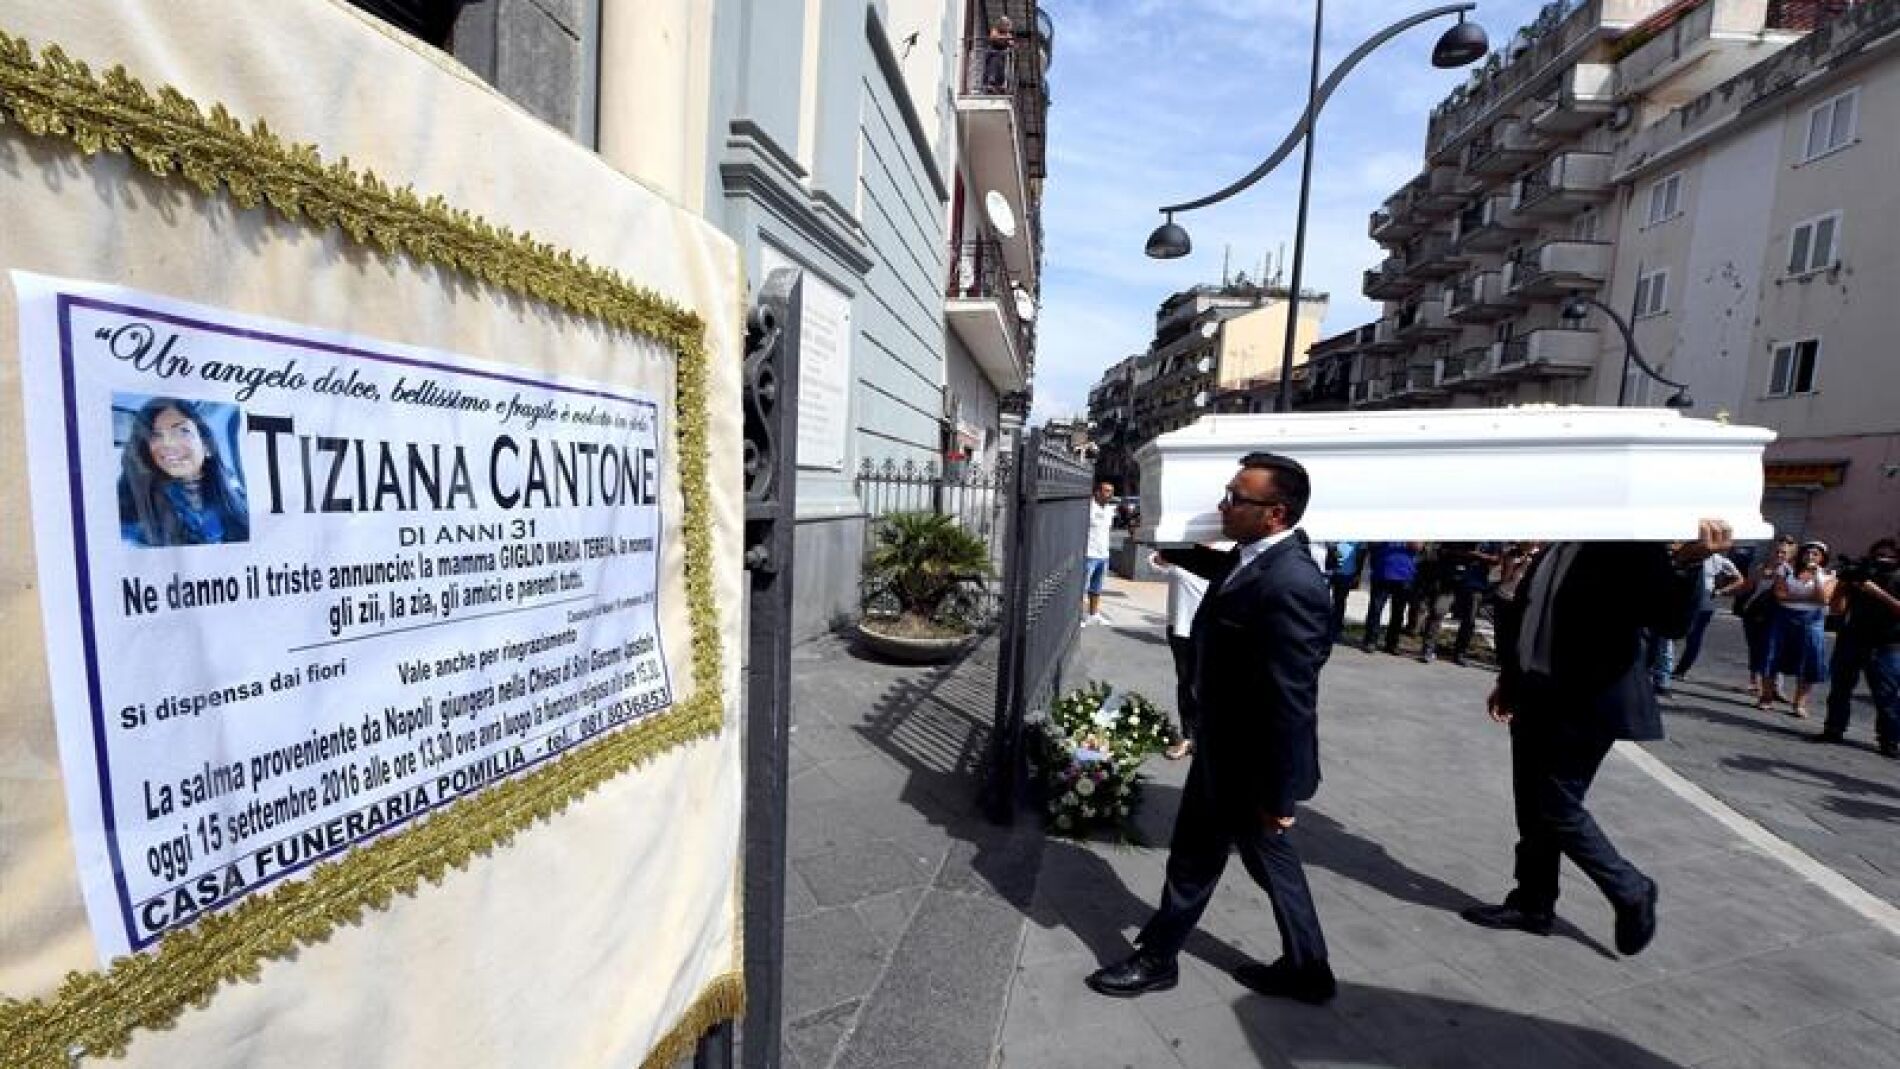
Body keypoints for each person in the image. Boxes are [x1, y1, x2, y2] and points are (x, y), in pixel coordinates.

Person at [1086, 453, 1336, 1005]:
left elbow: (1293, 699)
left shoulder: (1292, 582)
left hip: (1247, 761)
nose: (1223, 505)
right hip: (1231, 746)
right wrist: (1165, 542)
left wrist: (1280, 791)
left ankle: (1157, 959)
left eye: (1234, 498)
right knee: (1269, 860)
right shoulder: (1262, 559)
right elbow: (1227, 574)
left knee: (1197, 856)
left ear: (1274, 513)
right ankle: (1309, 970)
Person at [1461, 523, 1730, 957]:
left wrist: (1689, 564)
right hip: (1536, 691)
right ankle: (1532, 903)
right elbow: (1534, 617)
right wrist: (1511, 679)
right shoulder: (1555, 546)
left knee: (1557, 806)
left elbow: (1671, 621)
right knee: (1532, 807)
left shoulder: (1628, 546)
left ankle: (1632, 889)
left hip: (1588, 702)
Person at [119, 397, 250, 547]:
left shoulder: (237, 496)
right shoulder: (134, 515)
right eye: (156, 435)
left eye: (183, 431)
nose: (168, 443)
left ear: (207, 446)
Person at [1812, 538, 1900, 757]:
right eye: (1878, 554)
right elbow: (1836, 608)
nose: (1883, 559)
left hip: (1886, 644)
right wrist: (1844, 586)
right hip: (1852, 638)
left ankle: (1889, 740)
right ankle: (1833, 729)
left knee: (1886, 695)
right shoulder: (1861, 575)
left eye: (1888, 555)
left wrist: (1876, 591)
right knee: (1840, 689)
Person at [1151, 548, 1219, 761]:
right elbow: (1155, 562)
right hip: (1180, 628)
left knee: (1211, 685)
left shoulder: (1227, 554)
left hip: (1212, 631)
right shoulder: (1185, 552)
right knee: (1187, 683)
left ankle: (1209, 736)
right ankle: (1189, 735)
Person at [1762, 540, 1834, 718]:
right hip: (1784, 618)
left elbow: (1824, 599)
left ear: (1823, 558)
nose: (1810, 556)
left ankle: (1799, 703)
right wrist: (1809, 598)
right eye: (1808, 553)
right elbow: (1780, 595)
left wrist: (1817, 577)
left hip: (1812, 621)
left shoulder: (1828, 575)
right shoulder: (1786, 570)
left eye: (1816, 554)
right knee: (1773, 655)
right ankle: (1766, 697)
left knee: (1809, 660)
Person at [1671, 550, 1745, 681]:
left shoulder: (1718, 560)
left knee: (1694, 639)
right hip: (1683, 602)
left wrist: (1721, 591)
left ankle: (1681, 670)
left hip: (1704, 605)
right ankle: (1661, 666)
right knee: (1672, 633)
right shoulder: (1689, 553)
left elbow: (1739, 579)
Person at [1740, 537, 1795, 700]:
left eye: (1783, 553)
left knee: (1775, 650)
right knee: (1755, 647)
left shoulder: (1791, 572)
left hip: (1777, 616)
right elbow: (1748, 587)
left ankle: (1776, 687)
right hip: (1754, 613)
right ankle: (1754, 681)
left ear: (1790, 555)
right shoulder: (1761, 568)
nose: (1779, 555)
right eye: (1777, 551)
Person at [1361, 542, 1418, 655]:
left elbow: (1418, 546)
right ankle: (1370, 641)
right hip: (1382, 572)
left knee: (1398, 612)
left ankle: (1391, 644)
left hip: (1404, 575)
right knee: (1375, 609)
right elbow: (1371, 544)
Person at [1082, 481, 1115, 626]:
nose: (1110, 494)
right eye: (1106, 491)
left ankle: (1093, 614)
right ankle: (1078, 617)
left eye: (1111, 491)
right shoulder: (1089, 507)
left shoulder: (1109, 509)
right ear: (1097, 492)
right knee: (1082, 588)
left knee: (1096, 588)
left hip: (1103, 555)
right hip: (1089, 554)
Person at [1323, 541, 1363, 646]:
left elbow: (1361, 555)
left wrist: (1358, 574)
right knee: (1323, 599)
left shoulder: (1357, 539)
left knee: (1340, 602)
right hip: (1328, 571)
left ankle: (1336, 629)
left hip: (1347, 573)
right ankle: (1322, 626)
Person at [981, 16, 1013, 92]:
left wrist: (1009, 42)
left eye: (1007, 25)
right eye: (1005, 24)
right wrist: (1004, 38)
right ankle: (990, 84)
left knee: (1001, 69)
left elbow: (1011, 43)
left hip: (1002, 55)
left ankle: (1000, 85)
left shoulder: (1008, 34)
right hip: (993, 53)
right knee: (992, 66)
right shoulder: (995, 30)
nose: (1006, 26)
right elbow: (993, 37)